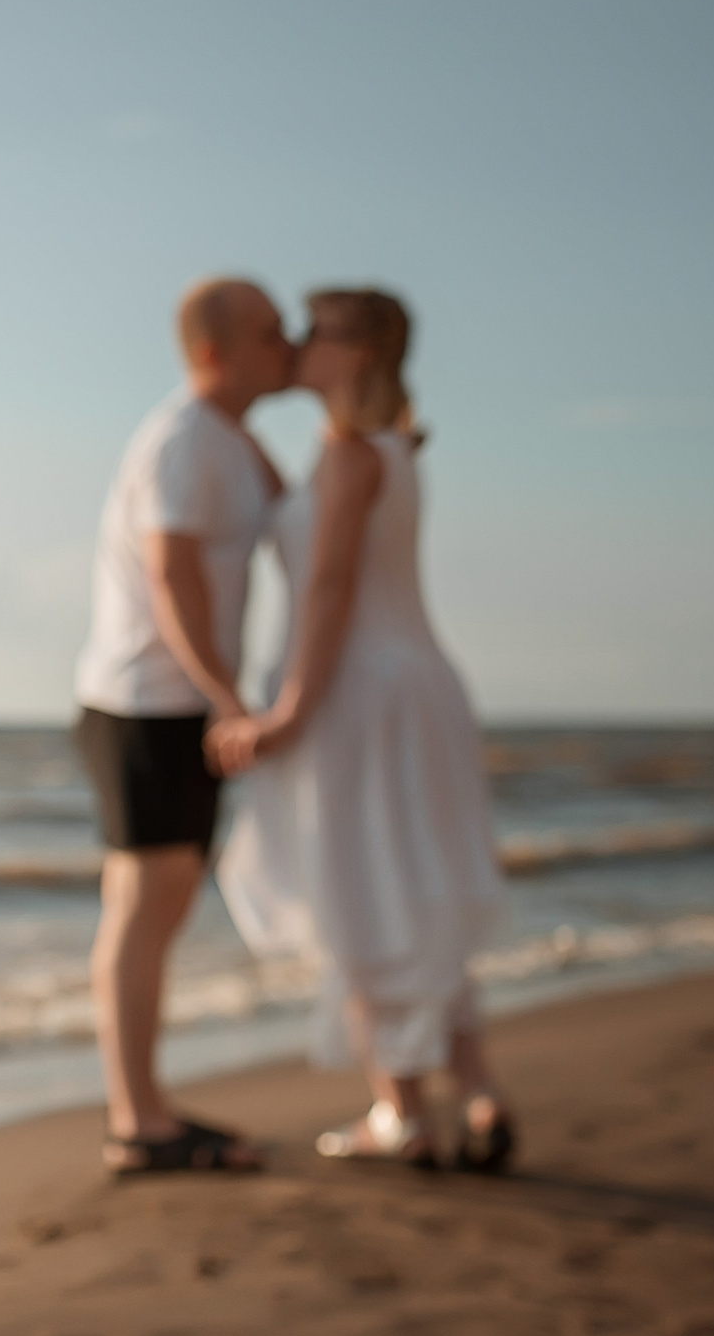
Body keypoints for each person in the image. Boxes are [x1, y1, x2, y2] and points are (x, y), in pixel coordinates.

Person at [208, 288, 516, 1172]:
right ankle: (481, 1094)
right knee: (415, 886)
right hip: (416, 688)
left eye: (319, 332)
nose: (300, 344)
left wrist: (291, 707)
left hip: (357, 696)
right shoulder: (388, 451)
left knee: (358, 888)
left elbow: (333, 587)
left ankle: (404, 1110)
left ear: (363, 351)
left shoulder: (348, 456)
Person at [70, 277, 293, 1174]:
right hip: (143, 704)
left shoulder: (235, 440)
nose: (289, 345)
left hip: (178, 704)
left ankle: (145, 1108)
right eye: (272, 334)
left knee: (160, 905)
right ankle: (138, 1120)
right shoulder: (182, 439)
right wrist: (228, 694)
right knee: (143, 904)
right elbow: (173, 577)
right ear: (213, 351)